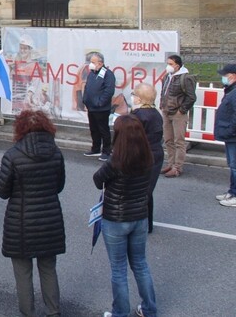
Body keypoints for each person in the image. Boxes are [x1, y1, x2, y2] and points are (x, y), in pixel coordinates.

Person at [0, 110, 65, 317]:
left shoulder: (12, 155)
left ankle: (28, 312)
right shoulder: (56, 153)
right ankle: (53, 311)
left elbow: (2, 191)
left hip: (21, 221)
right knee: (48, 268)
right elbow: (59, 186)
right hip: (50, 220)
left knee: (23, 272)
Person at [93, 114, 157, 317]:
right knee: (140, 264)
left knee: (119, 269)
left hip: (116, 218)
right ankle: (149, 308)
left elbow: (97, 180)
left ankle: (120, 312)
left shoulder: (116, 161)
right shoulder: (148, 157)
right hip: (139, 216)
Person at [130, 83, 164, 231]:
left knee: (138, 190)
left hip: (142, 155)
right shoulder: (156, 114)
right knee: (147, 191)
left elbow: (130, 139)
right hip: (156, 153)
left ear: (139, 98)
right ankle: (147, 224)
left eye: (134, 95)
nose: (132, 97)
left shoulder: (137, 116)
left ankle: (138, 224)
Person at [159, 55, 197, 178]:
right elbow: (163, 92)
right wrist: (162, 105)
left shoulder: (185, 78)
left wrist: (181, 110)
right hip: (166, 112)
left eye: (170, 64)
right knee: (168, 140)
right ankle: (170, 163)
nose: (168, 66)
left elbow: (191, 97)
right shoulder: (167, 77)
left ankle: (177, 167)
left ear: (177, 65)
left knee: (179, 141)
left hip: (177, 114)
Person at [82, 51, 116, 161]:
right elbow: (87, 87)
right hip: (91, 107)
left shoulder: (108, 74)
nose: (90, 64)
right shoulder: (92, 73)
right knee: (93, 129)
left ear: (100, 63)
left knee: (103, 129)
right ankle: (95, 149)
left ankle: (106, 151)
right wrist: (85, 100)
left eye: (93, 62)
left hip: (101, 108)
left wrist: (100, 102)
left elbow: (109, 91)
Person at [214, 64, 236, 207]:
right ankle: (232, 191)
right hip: (230, 135)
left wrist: (230, 131)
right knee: (232, 165)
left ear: (233, 76)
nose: (223, 78)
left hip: (232, 135)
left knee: (235, 166)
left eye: (225, 75)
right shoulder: (231, 90)